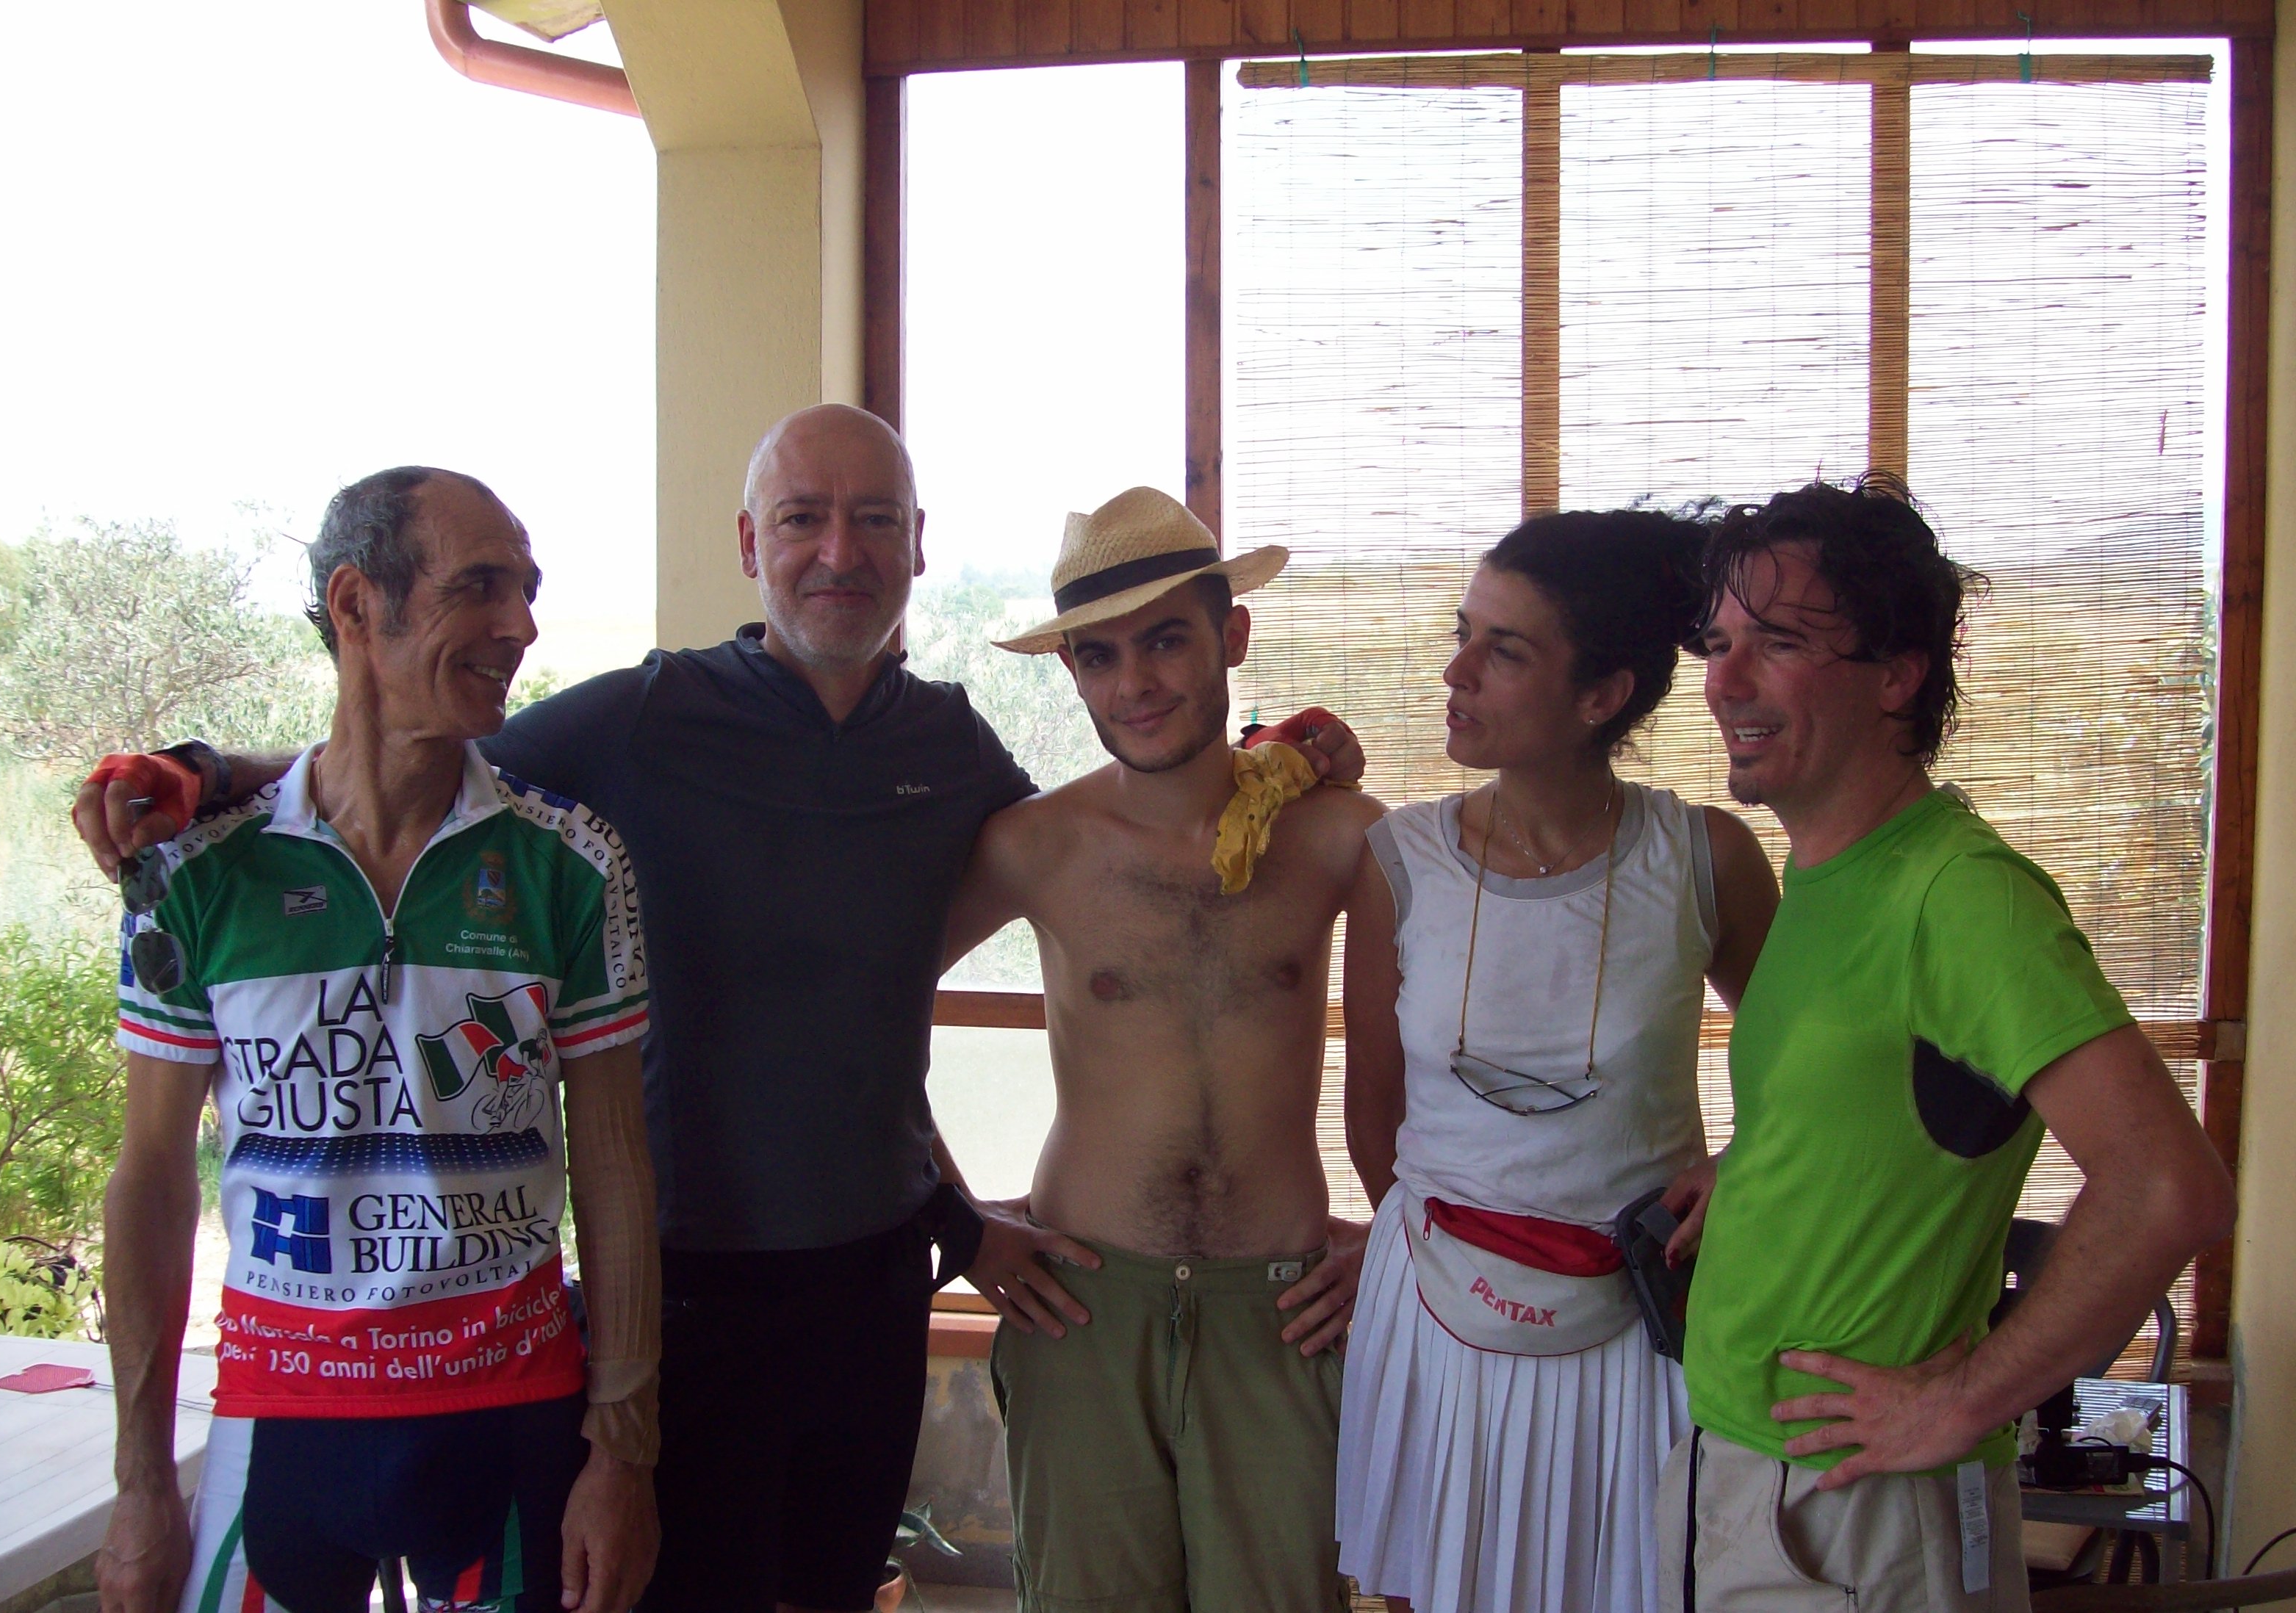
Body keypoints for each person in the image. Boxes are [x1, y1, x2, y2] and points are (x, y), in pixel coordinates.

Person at [74, 408, 1362, 1613]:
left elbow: (1135, 845)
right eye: (803, 519)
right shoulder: (642, 716)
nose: (840, 552)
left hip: (873, 1286)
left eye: (874, 520)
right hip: (681, 1293)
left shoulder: (952, 747)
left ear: (918, 545)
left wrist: (1280, 767)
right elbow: (412, 759)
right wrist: (209, 774)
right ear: (751, 544)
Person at [1660, 477, 2236, 1612]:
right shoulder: (1827, 877)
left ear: (1897, 675)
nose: (1725, 681)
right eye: (1720, 645)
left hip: (1854, 1518)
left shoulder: (1962, 897)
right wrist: (1759, 1170)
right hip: (1752, 1477)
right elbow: (1885, 1105)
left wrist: (1964, 1399)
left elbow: (2170, 1189)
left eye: (1779, 643)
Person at [94, 468, 661, 1613]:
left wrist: (623, 1451)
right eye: (480, 587)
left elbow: (614, 1165)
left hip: (511, 1415)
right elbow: (149, 1180)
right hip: (281, 1418)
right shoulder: (196, 873)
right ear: (356, 605)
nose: (521, 624)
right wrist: (142, 1485)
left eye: (528, 589)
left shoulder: (571, 862)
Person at [938, 486, 1388, 1613]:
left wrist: (1407, 1235)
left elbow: (1436, 1064)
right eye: (1099, 656)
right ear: (1072, 673)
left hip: (1282, 1308)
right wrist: (956, 1218)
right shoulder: (1036, 844)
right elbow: (858, 1013)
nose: (1134, 682)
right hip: (1084, 1304)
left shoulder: (1342, 836)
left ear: (1232, 635)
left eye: (1167, 640)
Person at [1335, 510, 1780, 1613]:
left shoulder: (1703, 858)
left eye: (1505, 651)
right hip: (1437, 1307)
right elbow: (1374, 1113)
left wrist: (1739, 1165)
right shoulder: (1399, 861)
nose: (1457, 673)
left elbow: (1807, 1069)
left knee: (1633, 1587)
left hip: (1636, 1318)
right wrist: (1459, 1263)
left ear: (1601, 695)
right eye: (1463, 634)